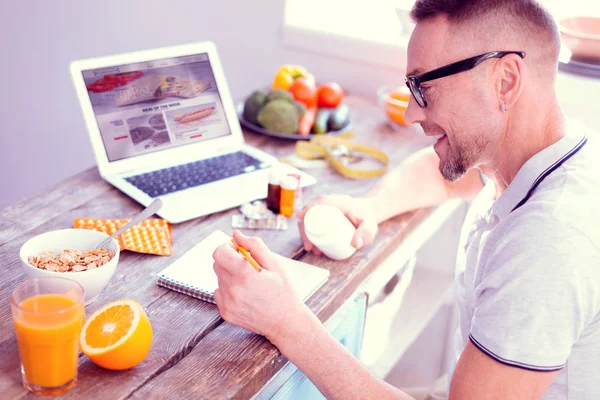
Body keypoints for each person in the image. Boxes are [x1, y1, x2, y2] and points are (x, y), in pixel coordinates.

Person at [212, 0, 600, 398]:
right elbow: (447, 177)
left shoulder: (551, 243)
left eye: (425, 86)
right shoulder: (541, 154)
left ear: (504, 81)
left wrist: (286, 322)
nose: (411, 113)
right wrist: (370, 209)